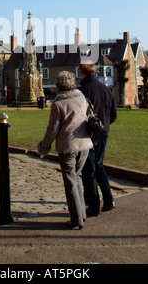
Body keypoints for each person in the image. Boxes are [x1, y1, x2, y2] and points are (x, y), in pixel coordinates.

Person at [37, 71, 93, 230]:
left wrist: (44, 146)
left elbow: (52, 130)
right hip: (84, 144)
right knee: (76, 179)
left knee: (70, 182)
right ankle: (81, 214)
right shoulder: (81, 97)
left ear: (58, 85)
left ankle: (76, 219)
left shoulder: (57, 104)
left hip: (68, 146)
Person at [79, 60, 117, 217]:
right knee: (99, 166)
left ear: (82, 73)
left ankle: (93, 206)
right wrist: (105, 125)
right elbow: (114, 114)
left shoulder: (83, 90)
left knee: (89, 170)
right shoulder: (106, 89)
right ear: (94, 72)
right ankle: (108, 200)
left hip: (90, 134)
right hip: (104, 132)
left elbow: (80, 114)